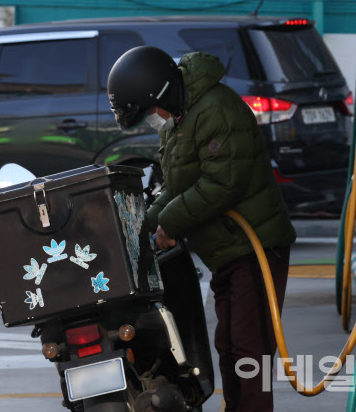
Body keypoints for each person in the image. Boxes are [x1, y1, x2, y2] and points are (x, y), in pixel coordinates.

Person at [107, 45, 296, 412]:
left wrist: (171, 224)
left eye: (148, 112)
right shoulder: (179, 118)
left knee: (249, 349)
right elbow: (176, 185)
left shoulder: (216, 110)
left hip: (254, 246)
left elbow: (222, 185)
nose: (151, 120)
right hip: (227, 250)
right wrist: (138, 229)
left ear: (161, 94)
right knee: (228, 345)